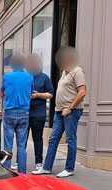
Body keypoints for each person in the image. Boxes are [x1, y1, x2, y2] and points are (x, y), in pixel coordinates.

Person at [36, 47, 87, 178]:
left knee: (70, 140)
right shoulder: (65, 72)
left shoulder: (77, 71)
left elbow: (82, 92)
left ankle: (69, 168)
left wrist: (70, 108)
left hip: (71, 111)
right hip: (59, 111)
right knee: (53, 139)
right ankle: (46, 167)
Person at [0, 54, 34, 174]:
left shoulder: (6, 77)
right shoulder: (30, 77)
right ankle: (22, 173)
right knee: (21, 146)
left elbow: (2, 95)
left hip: (10, 111)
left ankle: (7, 173)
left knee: (8, 146)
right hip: (24, 112)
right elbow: (30, 94)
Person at [26, 54, 54, 174]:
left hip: (38, 114)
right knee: (22, 139)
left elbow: (50, 94)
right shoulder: (26, 77)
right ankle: (19, 161)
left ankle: (39, 162)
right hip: (24, 113)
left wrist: (38, 95)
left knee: (37, 138)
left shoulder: (44, 78)